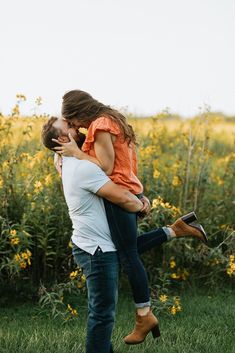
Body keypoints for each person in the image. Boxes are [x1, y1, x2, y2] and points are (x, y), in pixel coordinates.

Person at [53, 90, 207, 344]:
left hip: (120, 190)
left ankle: (144, 315)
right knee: (124, 248)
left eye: (74, 121)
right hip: (128, 187)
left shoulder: (100, 125)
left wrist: (76, 154)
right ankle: (177, 229)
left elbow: (106, 167)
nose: (76, 127)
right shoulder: (110, 119)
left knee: (127, 254)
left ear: (80, 113)